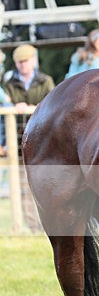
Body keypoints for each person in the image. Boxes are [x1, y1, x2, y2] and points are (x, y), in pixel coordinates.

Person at [1, 44, 55, 231]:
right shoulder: (9, 86)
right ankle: (33, 227)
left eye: (25, 61)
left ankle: (49, 224)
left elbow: (54, 105)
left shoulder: (45, 81)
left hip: (44, 142)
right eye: (19, 62)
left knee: (46, 184)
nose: (22, 65)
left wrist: (33, 107)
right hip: (18, 142)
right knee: (23, 186)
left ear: (33, 61)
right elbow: (3, 114)